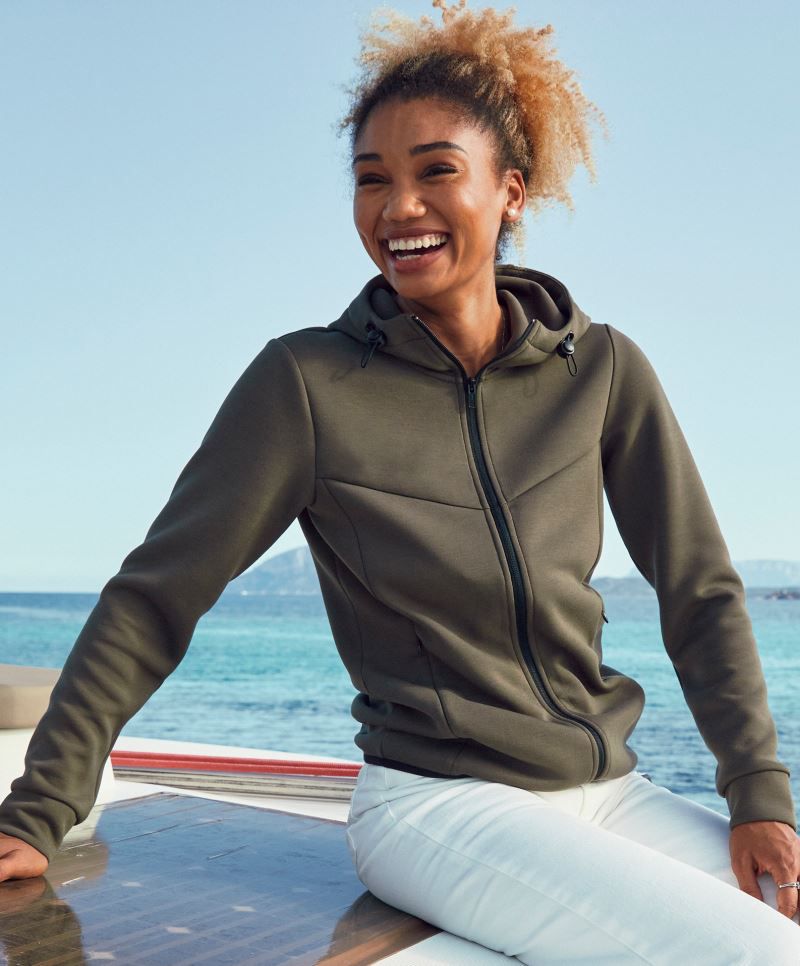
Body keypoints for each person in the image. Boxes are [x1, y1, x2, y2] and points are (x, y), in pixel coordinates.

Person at [1, 0, 799, 961]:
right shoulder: (307, 384)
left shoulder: (601, 369)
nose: (398, 207)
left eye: (436, 171)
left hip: (611, 791)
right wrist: (39, 809)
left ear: (510, 193)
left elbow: (699, 590)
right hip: (437, 806)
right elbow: (156, 596)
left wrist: (758, 792)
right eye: (372, 178)